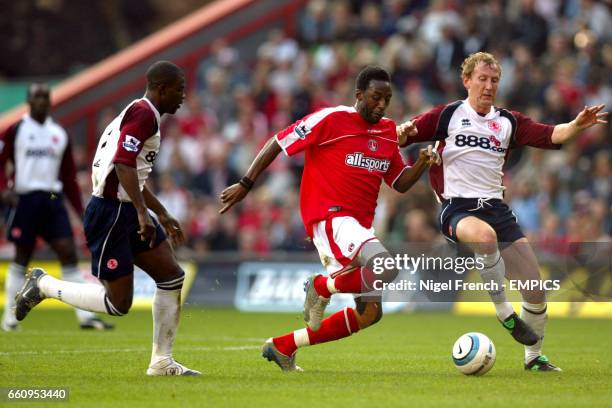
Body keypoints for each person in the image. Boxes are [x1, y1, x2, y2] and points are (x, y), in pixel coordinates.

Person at [397, 52, 608, 372]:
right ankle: (504, 313)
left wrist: (577, 124)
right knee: (484, 236)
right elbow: (406, 133)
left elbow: (553, 134)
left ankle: (534, 358)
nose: (488, 86)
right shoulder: (448, 115)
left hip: (496, 208)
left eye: (494, 80)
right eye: (482, 79)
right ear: (466, 81)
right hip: (456, 207)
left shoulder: (509, 122)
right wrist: (401, 132)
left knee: (535, 288)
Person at [220, 66, 439, 371]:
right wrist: (246, 183)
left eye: (387, 99)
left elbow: (399, 182)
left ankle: (285, 346)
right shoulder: (331, 119)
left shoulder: (388, 130)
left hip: (360, 226)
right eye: (376, 97)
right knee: (386, 267)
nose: (381, 104)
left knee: (369, 314)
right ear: (359, 95)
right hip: (331, 218)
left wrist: (422, 164)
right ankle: (323, 286)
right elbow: (278, 142)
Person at [14, 61, 200, 376]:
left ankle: (161, 362)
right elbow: (124, 164)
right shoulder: (143, 115)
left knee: (171, 277)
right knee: (119, 304)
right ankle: (43, 285)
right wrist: (143, 212)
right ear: (161, 88)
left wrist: (161, 212)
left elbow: (131, 173)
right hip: (112, 213)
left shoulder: (140, 113)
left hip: (124, 207)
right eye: (179, 89)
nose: (183, 96)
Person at [0, 83, 113, 332]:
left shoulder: (59, 134)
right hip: (25, 199)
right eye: (36, 97)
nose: (41, 101)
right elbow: (1, 161)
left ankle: (86, 318)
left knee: (69, 254)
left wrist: (82, 210)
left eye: (45, 97)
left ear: (50, 102)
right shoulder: (16, 130)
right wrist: (4, 189)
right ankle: (9, 319)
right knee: (22, 257)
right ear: (29, 101)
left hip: (52, 199)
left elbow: (69, 176)